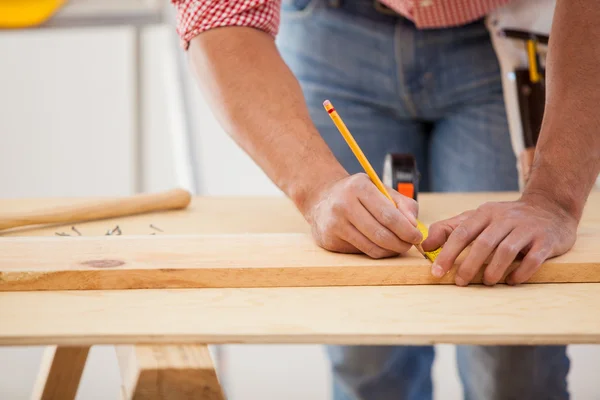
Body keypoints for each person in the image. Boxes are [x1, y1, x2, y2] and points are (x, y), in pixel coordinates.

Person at [170, 0, 600, 398]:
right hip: (333, 29)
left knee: (514, 343)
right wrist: (318, 190)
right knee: (369, 352)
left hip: (505, 27)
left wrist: (553, 199)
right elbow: (219, 14)